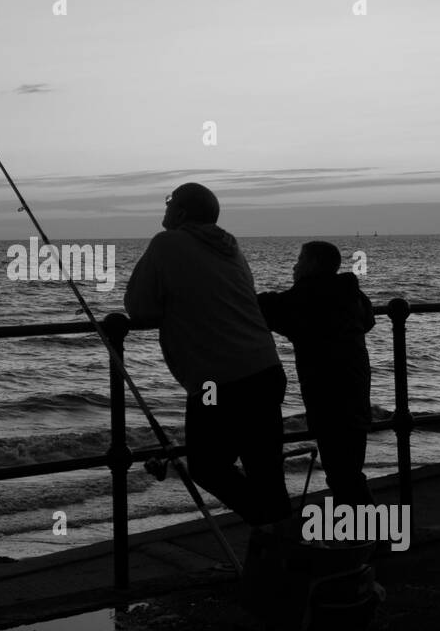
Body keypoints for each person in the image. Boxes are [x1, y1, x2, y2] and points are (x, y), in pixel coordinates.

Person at [123, 183, 292, 528]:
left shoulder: (166, 243)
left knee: (206, 466)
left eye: (169, 201)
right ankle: (282, 554)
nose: (166, 207)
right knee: (266, 472)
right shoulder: (230, 246)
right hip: (264, 369)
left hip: (218, 380)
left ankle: (269, 528)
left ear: (182, 212)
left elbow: (139, 309)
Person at [257, 241, 376, 508]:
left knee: (343, 475)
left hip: (328, 394)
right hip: (356, 388)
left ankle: (372, 539)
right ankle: (368, 538)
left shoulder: (306, 298)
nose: (294, 265)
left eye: (299, 260)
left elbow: (268, 306)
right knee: (349, 471)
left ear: (311, 264)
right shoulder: (351, 294)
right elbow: (368, 320)